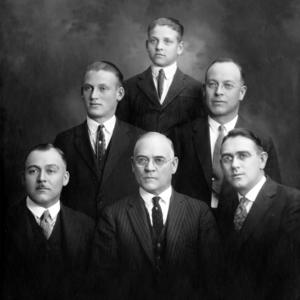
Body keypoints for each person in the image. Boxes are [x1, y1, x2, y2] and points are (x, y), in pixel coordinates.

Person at [90, 132, 223, 300]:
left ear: (174, 165)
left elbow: (213, 280)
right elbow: (103, 283)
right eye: (142, 160)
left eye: (159, 160)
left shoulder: (199, 213)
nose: (149, 168)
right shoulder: (112, 216)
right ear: (132, 165)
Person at [171, 57, 281, 210]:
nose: (218, 92)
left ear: (241, 92)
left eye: (228, 85)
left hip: (240, 228)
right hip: (191, 225)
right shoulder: (180, 135)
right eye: (212, 85)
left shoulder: (261, 139)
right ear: (204, 91)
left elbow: (273, 197)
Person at [2, 144, 95, 300]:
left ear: (65, 178)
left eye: (51, 171)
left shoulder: (87, 227)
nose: (42, 178)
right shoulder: (6, 223)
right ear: (23, 178)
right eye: (33, 171)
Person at [54, 61, 143, 220]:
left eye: (103, 88)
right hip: (79, 237)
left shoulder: (140, 140)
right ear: (82, 93)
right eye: (88, 88)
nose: (94, 96)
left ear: (120, 93)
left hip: (125, 235)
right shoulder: (64, 141)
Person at [218, 128, 300, 300]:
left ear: (262, 160)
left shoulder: (292, 203)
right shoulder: (226, 205)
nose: (234, 165)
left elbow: (290, 279)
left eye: (243, 156)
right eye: (227, 158)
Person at [116, 17, 204, 135]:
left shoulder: (196, 89)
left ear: (180, 48)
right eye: (153, 40)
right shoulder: (129, 87)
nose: (159, 47)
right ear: (147, 45)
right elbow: (121, 131)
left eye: (167, 41)